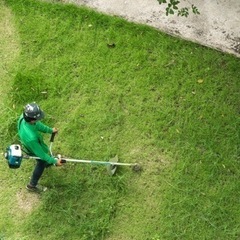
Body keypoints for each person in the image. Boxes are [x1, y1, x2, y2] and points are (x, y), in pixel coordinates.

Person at [18, 102, 62, 192]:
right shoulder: (31, 138)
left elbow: (37, 124)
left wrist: (50, 130)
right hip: (31, 147)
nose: (38, 119)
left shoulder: (23, 117)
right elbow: (41, 154)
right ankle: (32, 185)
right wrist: (54, 161)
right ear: (32, 119)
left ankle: (48, 162)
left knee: (44, 159)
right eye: (37, 118)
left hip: (28, 143)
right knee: (41, 162)